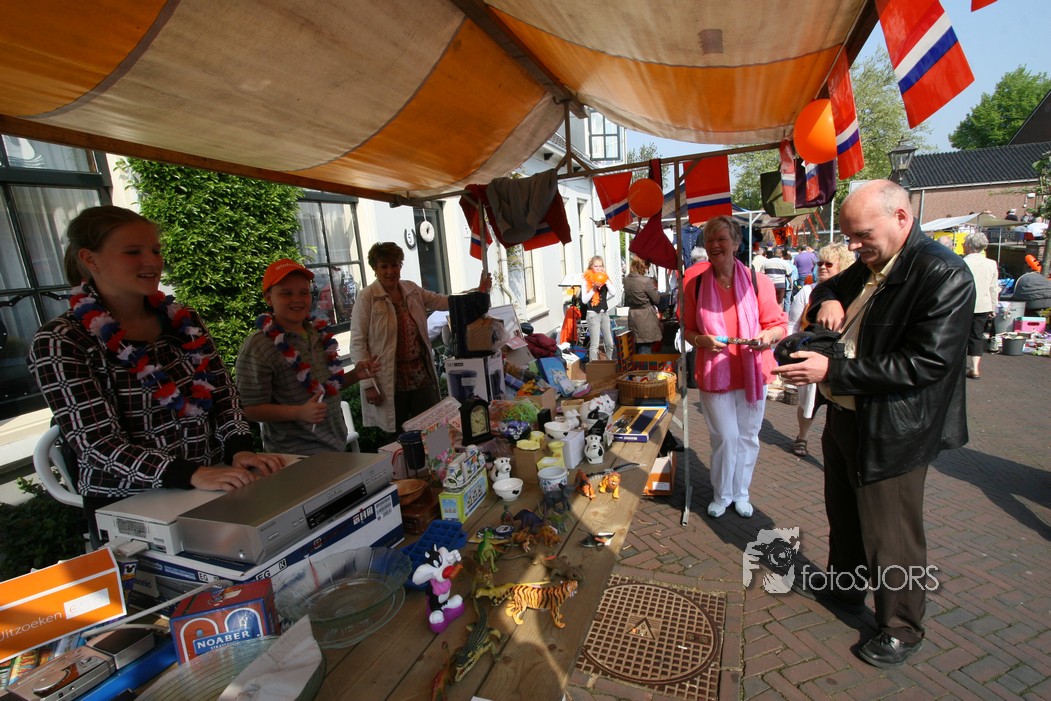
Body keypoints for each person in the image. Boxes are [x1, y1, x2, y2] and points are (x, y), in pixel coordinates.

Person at [772, 180, 973, 669]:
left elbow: (925, 363)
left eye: (862, 235)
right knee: (844, 514)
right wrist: (826, 298)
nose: (855, 245)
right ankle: (846, 587)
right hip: (846, 416)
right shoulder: (871, 263)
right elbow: (829, 285)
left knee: (892, 534)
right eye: (850, 236)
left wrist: (831, 371)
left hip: (894, 429)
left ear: (901, 218)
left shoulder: (943, 273)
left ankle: (902, 627)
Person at [28, 206, 286, 532]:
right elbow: (97, 444)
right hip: (130, 506)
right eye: (133, 252)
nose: (151, 261)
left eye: (155, 250)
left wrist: (239, 449)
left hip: (213, 487)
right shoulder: (61, 340)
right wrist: (190, 473)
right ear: (90, 260)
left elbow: (223, 394)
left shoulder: (183, 320)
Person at [682, 216, 787, 519]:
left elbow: (779, 325)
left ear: (737, 243)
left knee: (748, 437)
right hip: (715, 371)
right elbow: (688, 329)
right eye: (710, 240)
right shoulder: (695, 283)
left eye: (721, 239)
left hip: (752, 371)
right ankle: (722, 493)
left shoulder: (758, 281)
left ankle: (740, 492)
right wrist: (701, 340)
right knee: (725, 437)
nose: (715, 245)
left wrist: (767, 337)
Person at [236, 259, 380, 454]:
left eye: (304, 293)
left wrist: (355, 375)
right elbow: (249, 409)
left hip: (336, 447)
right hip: (296, 457)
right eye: (286, 293)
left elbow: (325, 389)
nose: (297, 299)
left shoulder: (316, 333)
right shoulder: (258, 346)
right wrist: (299, 412)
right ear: (268, 298)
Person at [350, 242, 491, 435]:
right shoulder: (367, 297)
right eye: (384, 266)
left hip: (420, 373)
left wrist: (478, 292)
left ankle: (438, 456)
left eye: (395, 265)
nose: (390, 271)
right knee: (399, 436)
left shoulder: (411, 289)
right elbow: (357, 343)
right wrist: (368, 385)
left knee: (433, 430)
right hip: (389, 379)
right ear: (375, 269)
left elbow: (443, 301)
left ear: (400, 265)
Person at [785, 242, 856, 457]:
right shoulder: (807, 292)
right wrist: (790, 355)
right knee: (808, 404)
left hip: (842, 358)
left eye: (829, 264)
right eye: (820, 263)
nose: (823, 267)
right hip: (811, 355)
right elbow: (793, 325)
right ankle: (802, 437)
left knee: (841, 406)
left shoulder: (855, 294)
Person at [961, 232, 999, 379]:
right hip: (983, 305)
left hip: (963, 304)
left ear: (969, 245)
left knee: (959, 335)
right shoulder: (991, 264)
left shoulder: (962, 262)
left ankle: (957, 366)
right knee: (977, 336)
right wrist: (993, 307)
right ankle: (975, 367)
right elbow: (993, 288)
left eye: (964, 243)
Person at [622, 255, 662, 353]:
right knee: (645, 348)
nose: (647, 269)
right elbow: (656, 299)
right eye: (647, 267)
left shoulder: (626, 279)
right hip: (645, 315)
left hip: (633, 314)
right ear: (642, 266)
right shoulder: (646, 281)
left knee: (637, 346)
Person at [582, 255, 618, 361]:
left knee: (610, 343)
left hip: (604, 313)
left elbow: (613, 292)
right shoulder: (586, 280)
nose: (598, 268)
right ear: (591, 267)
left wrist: (606, 281)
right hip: (593, 314)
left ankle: (608, 363)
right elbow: (584, 300)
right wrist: (593, 289)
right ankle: (594, 367)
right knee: (595, 344)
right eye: (596, 266)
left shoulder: (604, 278)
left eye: (600, 266)